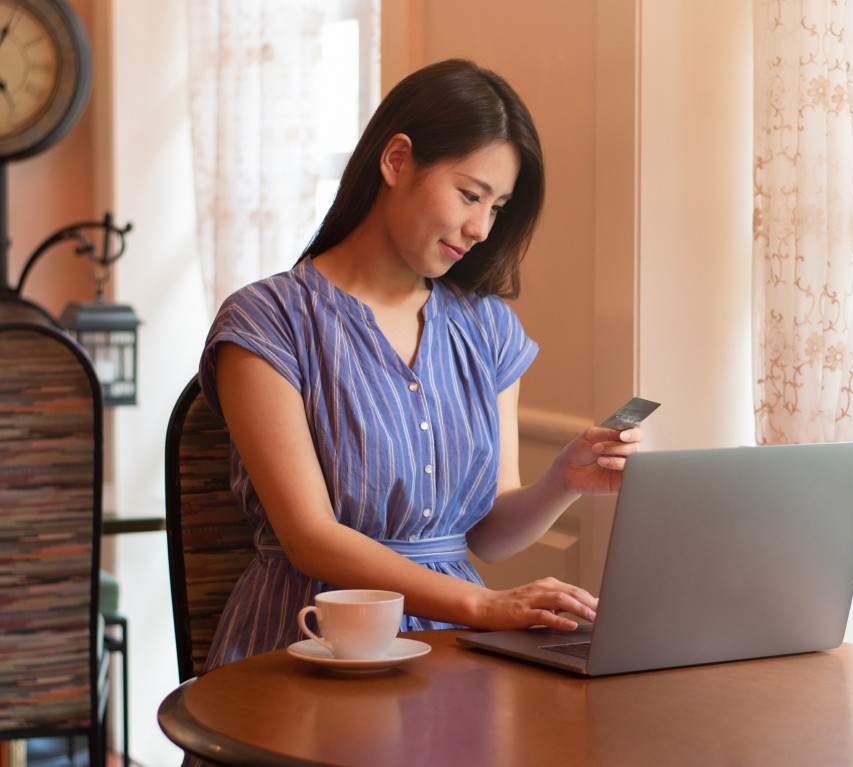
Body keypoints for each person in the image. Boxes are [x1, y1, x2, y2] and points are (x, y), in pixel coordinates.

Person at [198, 58, 643, 670]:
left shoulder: (487, 327)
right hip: (314, 639)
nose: (481, 227)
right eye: (470, 194)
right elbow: (310, 539)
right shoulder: (266, 321)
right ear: (397, 160)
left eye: (498, 207)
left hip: (451, 642)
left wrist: (563, 479)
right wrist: (484, 607)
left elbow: (486, 534)